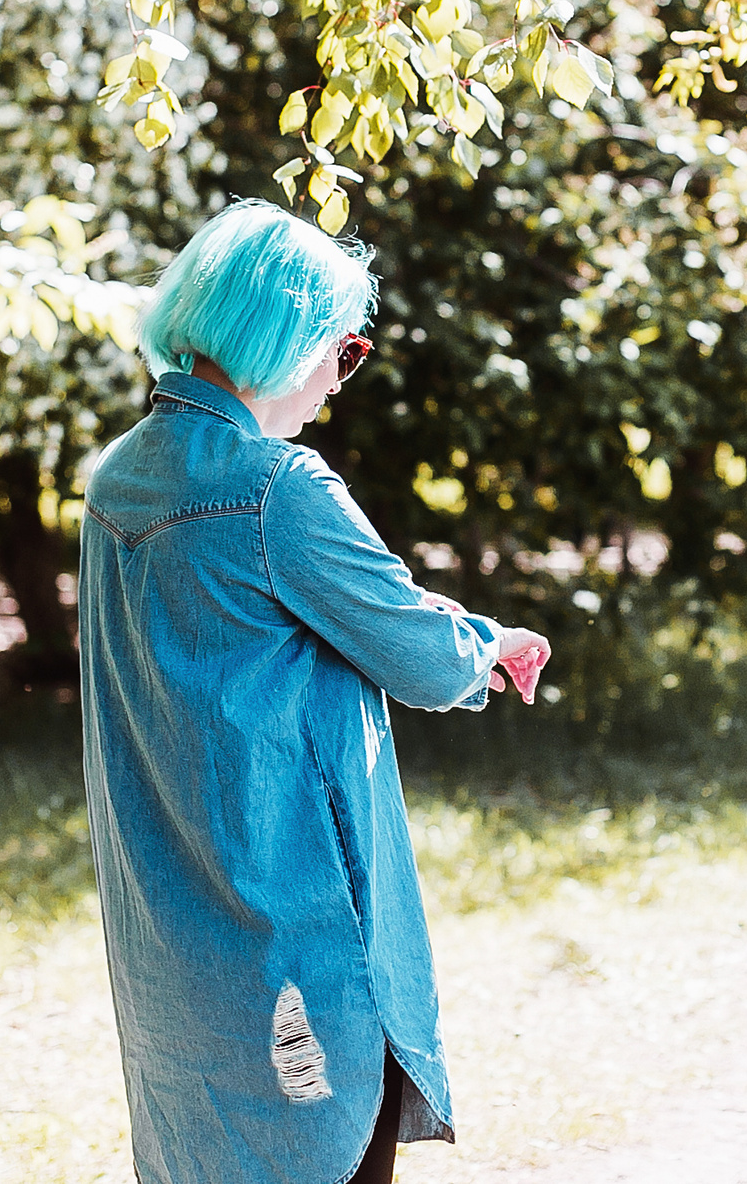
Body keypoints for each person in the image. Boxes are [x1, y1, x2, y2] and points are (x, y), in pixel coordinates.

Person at [79, 200, 552, 1184]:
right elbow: (417, 647)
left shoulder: (118, 478)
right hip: (293, 925)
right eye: (342, 348)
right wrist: (492, 643)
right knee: (326, 1147)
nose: (338, 380)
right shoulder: (276, 484)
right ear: (286, 334)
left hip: (169, 927)